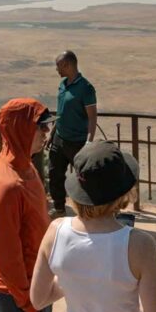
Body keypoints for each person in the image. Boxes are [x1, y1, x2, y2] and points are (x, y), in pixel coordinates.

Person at [30, 141, 156, 312]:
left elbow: (38, 299)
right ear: (121, 192)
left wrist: (77, 277)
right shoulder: (139, 245)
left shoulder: (56, 232)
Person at [0, 99, 55, 312]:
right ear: (21, 128)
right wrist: (28, 303)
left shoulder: (26, 166)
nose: (46, 133)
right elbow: (7, 256)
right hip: (19, 294)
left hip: (37, 283)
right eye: (42, 127)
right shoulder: (8, 186)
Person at [47, 50, 97, 217]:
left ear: (67, 65)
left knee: (82, 178)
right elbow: (60, 111)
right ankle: (59, 207)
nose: (56, 69)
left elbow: (92, 117)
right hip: (59, 138)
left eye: (58, 65)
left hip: (77, 142)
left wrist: (89, 142)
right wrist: (53, 132)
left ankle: (85, 211)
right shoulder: (62, 84)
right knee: (54, 174)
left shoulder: (86, 88)